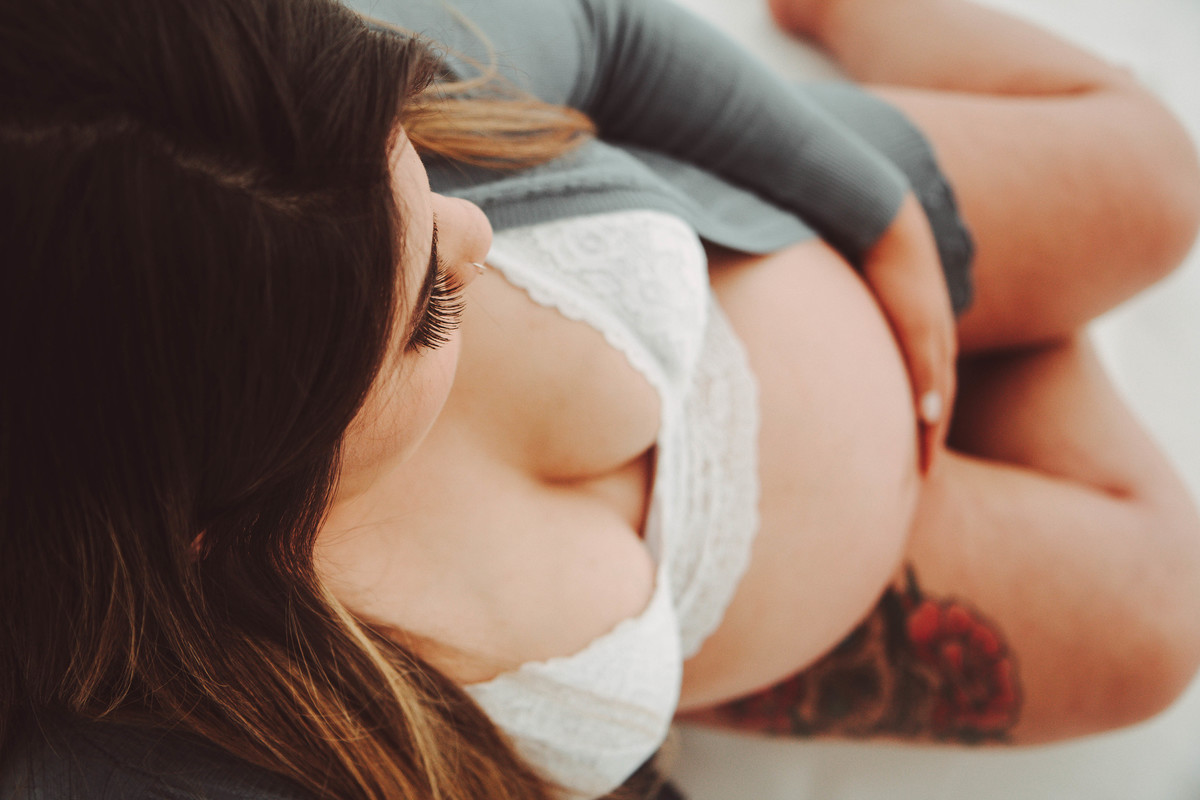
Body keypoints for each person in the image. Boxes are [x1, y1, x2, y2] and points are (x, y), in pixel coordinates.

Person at [1, 0, 1198, 798]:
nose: (471, 234)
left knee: (1158, 180)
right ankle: (1019, 335)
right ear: (210, 520)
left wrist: (875, 210)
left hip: (808, 230)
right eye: (427, 312)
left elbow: (602, 30)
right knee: (1163, 624)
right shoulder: (175, 743)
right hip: (820, 592)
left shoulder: (227, 141)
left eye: (410, 171)